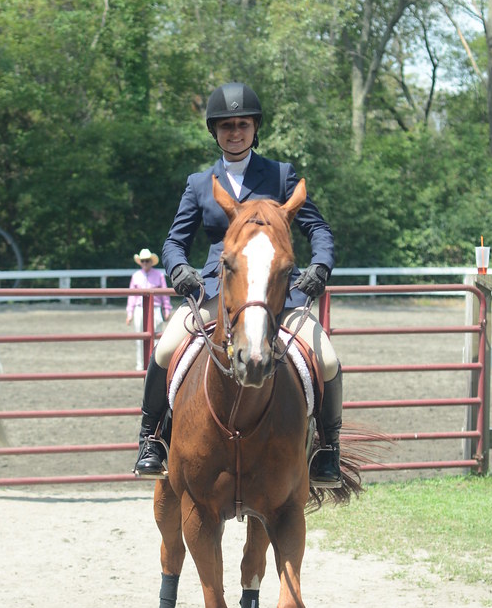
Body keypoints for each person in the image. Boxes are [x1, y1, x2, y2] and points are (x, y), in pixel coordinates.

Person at [133, 81, 344, 487]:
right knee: (164, 350)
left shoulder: (281, 175)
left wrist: (320, 266)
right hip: (218, 292)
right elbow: (175, 241)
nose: (235, 132)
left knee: (329, 360)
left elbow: (317, 228)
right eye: (226, 125)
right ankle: (151, 440)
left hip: (278, 293)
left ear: (254, 128)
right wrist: (178, 268)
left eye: (243, 124)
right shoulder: (199, 183)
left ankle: (327, 450)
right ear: (215, 131)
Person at [126, 248, 172, 371]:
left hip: (155, 308)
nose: (145, 263)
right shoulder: (136, 276)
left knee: (157, 338)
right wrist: (129, 313)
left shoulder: (159, 275)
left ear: (151, 261)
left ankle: (154, 366)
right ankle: (141, 365)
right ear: (140, 262)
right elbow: (132, 296)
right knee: (140, 338)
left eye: (147, 260)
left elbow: (164, 295)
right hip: (139, 309)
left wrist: (166, 309)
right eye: (143, 261)